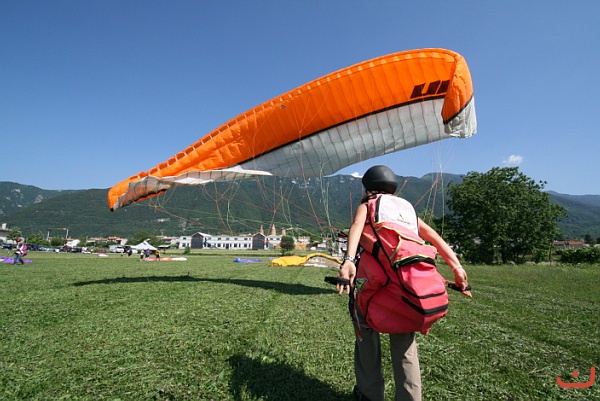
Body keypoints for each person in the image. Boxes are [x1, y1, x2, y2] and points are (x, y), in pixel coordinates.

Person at [337, 165, 469, 401]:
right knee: (405, 346)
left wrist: (348, 260)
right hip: (407, 289)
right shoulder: (406, 210)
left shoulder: (369, 205)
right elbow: (434, 237)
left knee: (365, 335)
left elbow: (356, 226)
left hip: (376, 287)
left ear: (368, 187)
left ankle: (369, 395)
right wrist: (457, 268)